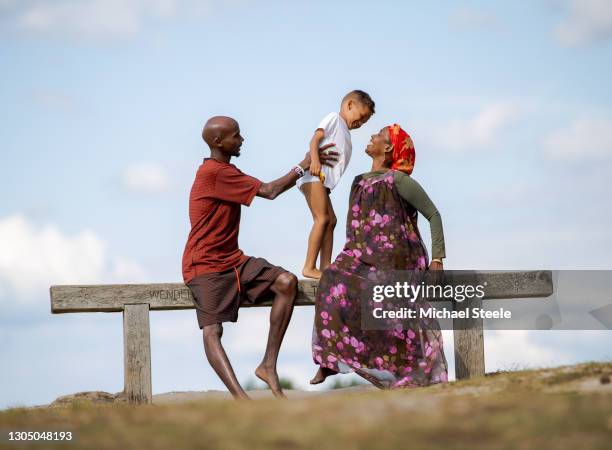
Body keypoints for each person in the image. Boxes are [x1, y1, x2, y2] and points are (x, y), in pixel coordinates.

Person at [182, 116, 337, 399]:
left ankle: (267, 365)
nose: (242, 140)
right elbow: (270, 190)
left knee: (286, 282)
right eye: (236, 136)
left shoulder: (225, 171)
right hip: (205, 265)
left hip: (234, 260)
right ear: (218, 142)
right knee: (212, 330)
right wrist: (303, 164)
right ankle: (242, 399)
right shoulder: (214, 173)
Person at [310, 123, 449, 389]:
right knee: (330, 278)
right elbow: (355, 227)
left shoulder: (399, 181)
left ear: (387, 148)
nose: (372, 136)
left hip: (399, 258)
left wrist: (438, 258)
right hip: (363, 256)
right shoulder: (358, 182)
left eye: (379, 136)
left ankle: (404, 368)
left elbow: (434, 214)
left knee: (390, 303)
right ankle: (329, 359)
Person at [296, 90, 375, 280]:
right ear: (349, 105)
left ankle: (325, 266)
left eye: (364, 121)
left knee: (331, 220)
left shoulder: (345, 132)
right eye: (360, 116)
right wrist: (314, 161)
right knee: (322, 219)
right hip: (313, 176)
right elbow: (314, 140)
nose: (360, 123)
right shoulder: (334, 119)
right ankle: (309, 266)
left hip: (322, 183)